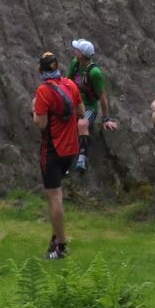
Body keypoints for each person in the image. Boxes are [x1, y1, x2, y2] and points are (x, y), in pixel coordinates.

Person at [33, 51, 86, 260]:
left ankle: (61, 246)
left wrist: (34, 110)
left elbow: (41, 124)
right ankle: (55, 239)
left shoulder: (43, 91)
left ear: (41, 70)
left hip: (52, 149)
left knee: (54, 197)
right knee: (58, 195)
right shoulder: (70, 84)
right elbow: (81, 112)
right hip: (71, 149)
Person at [68, 38, 119, 173]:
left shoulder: (94, 72)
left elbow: (102, 97)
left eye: (77, 49)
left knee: (82, 124)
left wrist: (106, 118)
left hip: (89, 107)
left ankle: (82, 157)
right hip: (74, 103)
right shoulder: (75, 63)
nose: (74, 51)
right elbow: (67, 82)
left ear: (81, 54)